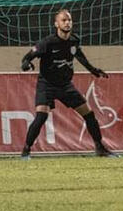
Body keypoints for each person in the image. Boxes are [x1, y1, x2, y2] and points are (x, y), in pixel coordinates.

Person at [19, 10, 115, 158]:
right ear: (56, 24)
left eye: (69, 20)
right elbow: (27, 58)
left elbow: (80, 56)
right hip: (47, 85)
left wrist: (93, 70)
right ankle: (26, 150)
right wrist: (26, 64)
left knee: (89, 115)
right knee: (41, 116)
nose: (67, 23)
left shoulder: (74, 41)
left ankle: (100, 148)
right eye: (63, 20)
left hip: (65, 85)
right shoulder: (47, 43)